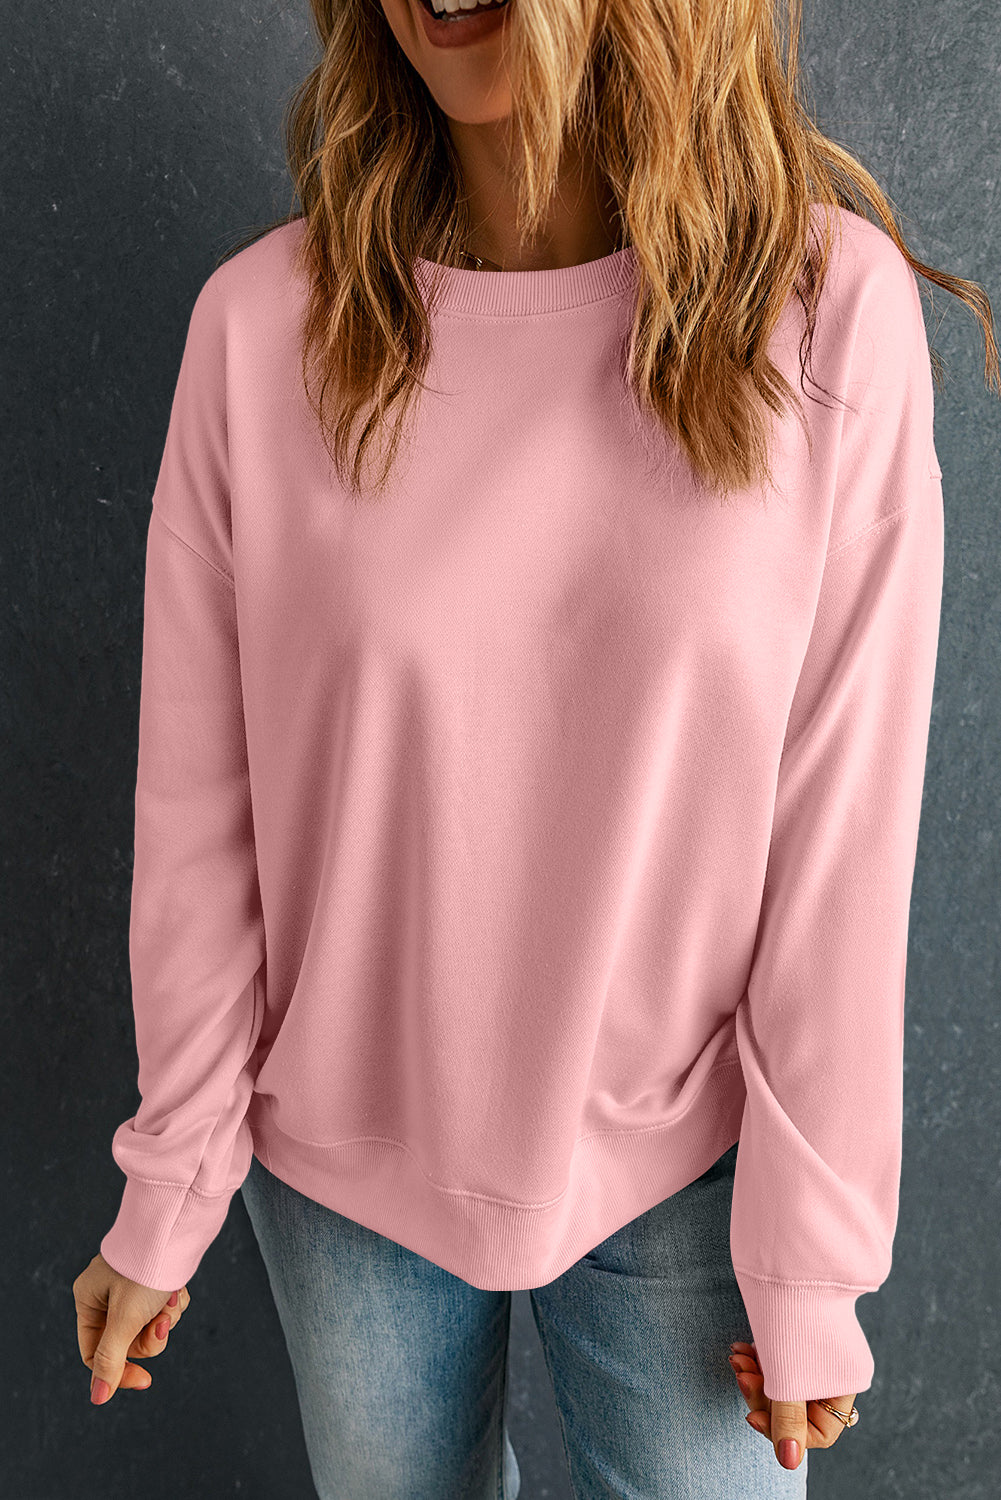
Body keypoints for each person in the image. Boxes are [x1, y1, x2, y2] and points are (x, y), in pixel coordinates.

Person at [72, 0, 997, 1496]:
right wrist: (168, 1183)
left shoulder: (826, 313)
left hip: (691, 1161)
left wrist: (813, 1256)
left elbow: (841, 832)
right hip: (344, 1168)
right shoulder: (259, 330)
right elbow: (197, 811)